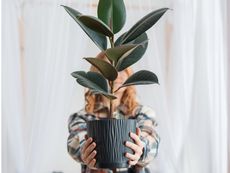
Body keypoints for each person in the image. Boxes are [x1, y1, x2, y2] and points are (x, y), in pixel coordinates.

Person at [67, 52, 160, 173]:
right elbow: (74, 143)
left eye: (121, 69)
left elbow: (151, 139)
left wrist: (141, 148)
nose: (115, 75)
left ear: (128, 74)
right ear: (95, 77)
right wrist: (85, 151)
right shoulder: (82, 117)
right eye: (108, 70)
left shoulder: (142, 113)